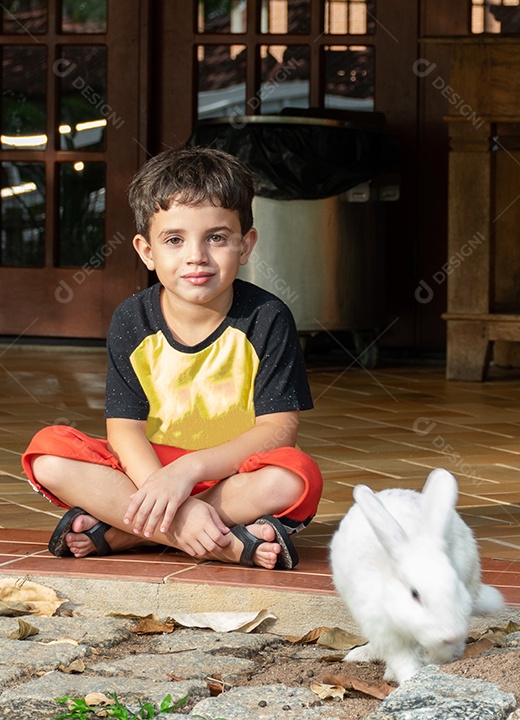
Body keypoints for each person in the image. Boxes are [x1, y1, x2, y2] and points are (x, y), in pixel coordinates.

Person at [20, 146, 322, 570]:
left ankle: (124, 533)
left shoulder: (267, 318)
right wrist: (171, 495)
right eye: (174, 240)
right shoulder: (132, 318)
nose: (196, 256)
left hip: (231, 475)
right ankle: (217, 541)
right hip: (146, 474)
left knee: (292, 474)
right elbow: (124, 430)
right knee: (49, 455)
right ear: (146, 251)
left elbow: (279, 431)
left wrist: (187, 474)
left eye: (216, 237)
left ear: (246, 244)